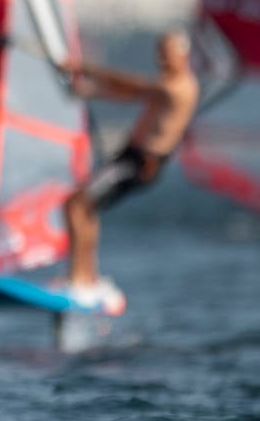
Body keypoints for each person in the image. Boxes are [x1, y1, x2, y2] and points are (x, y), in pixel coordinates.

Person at [59, 31, 200, 311]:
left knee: (76, 204)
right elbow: (129, 94)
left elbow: (132, 85)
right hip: (129, 157)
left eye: (167, 53)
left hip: (139, 163)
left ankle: (79, 280)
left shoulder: (180, 87)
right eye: (159, 52)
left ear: (183, 55)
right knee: (86, 207)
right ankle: (86, 277)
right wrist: (89, 91)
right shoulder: (166, 84)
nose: (161, 59)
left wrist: (84, 68)